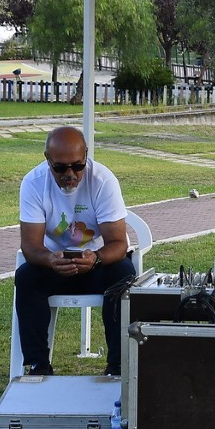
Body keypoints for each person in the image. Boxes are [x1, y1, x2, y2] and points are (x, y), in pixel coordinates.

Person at [15, 126, 136, 376]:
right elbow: (30, 246)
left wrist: (96, 258)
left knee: (123, 272)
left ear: (86, 156)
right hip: (54, 266)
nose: (70, 174)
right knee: (26, 276)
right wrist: (51, 259)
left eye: (77, 166)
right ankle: (38, 366)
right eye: (60, 168)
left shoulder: (103, 181)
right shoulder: (33, 183)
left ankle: (117, 366)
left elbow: (118, 243)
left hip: (97, 266)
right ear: (47, 159)